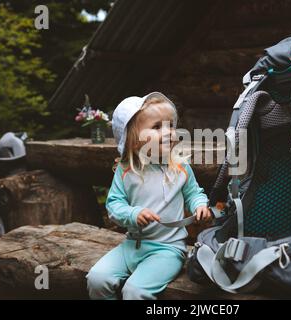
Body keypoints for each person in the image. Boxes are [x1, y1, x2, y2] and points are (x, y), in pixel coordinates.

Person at [86, 92, 211, 300]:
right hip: (131, 246)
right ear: (133, 140)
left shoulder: (179, 167)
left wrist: (200, 205)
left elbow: (193, 193)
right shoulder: (126, 170)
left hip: (167, 250)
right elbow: (114, 205)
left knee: (136, 292)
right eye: (157, 127)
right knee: (97, 279)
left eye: (170, 125)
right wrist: (133, 213)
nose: (169, 132)